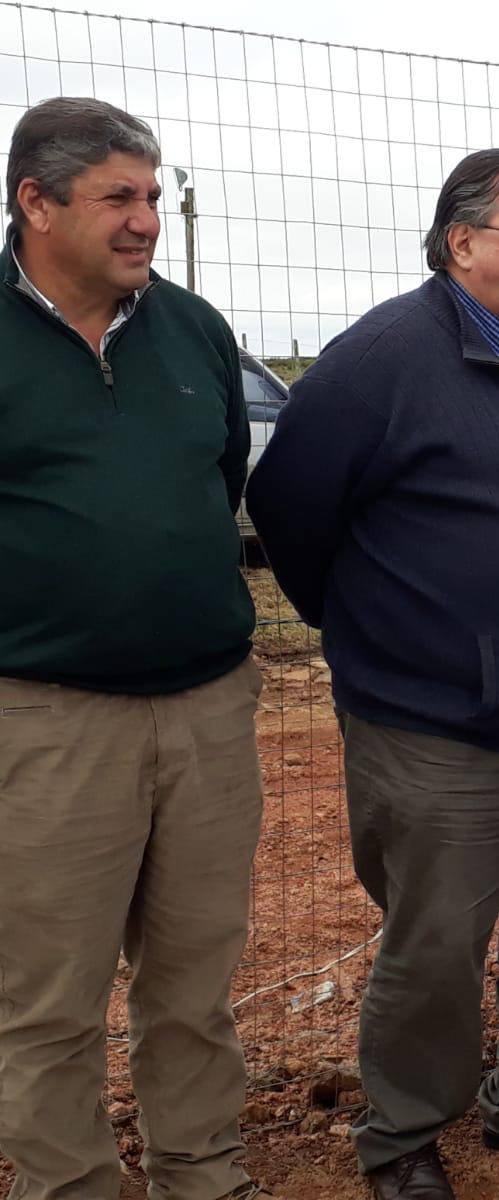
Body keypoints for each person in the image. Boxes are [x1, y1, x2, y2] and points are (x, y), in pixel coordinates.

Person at [246, 148, 499, 1200]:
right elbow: (289, 508)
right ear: (463, 243)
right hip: (435, 722)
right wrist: (382, 631)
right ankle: (403, 1134)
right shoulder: (384, 357)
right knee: (437, 937)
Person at [0, 97, 268, 1200]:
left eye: (153, 196)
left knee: (194, 984)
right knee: (50, 1001)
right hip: (47, 722)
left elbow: (221, 484)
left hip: (207, 711)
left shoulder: (192, 328)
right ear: (36, 203)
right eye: (118, 196)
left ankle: (203, 1176)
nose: (146, 220)